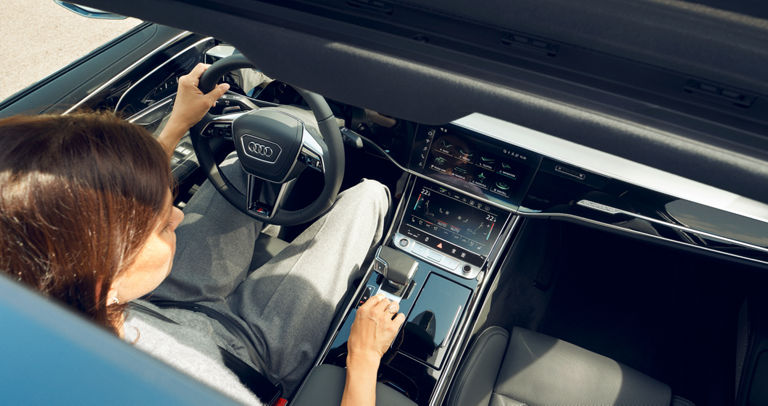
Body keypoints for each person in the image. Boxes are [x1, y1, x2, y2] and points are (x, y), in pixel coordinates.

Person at [0, 63, 404, 405]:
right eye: (159, 225)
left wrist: (177, 123)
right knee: (368, 196)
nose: (177, 215)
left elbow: (110, 203)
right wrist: (364, 356)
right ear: (99, 277)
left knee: (238, 164)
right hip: (254, 354)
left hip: (154, 299)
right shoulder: (194, 389)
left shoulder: (40, 297)